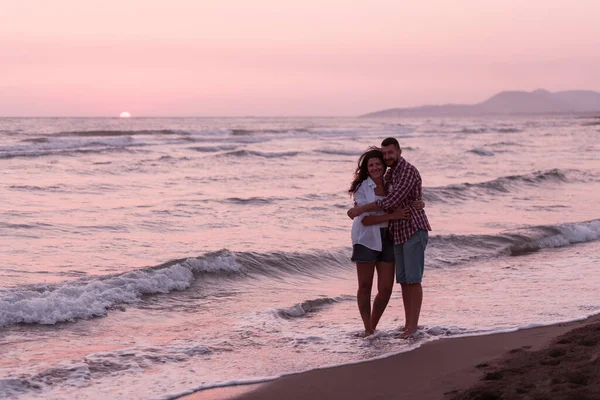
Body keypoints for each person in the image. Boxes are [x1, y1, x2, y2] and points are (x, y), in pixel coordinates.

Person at [348, 138, 431, 338]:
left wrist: (419, 202)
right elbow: (365, 221)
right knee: (370, 286)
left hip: (395, 234)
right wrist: (394, 214)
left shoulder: (396, 177)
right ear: (366, 168)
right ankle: (369, 328)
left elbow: (397, 199)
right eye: (372, 165)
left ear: (397, 152)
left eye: (380, 162)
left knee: (389, 287)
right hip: (368, 238)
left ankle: (392, 326)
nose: (377, 166)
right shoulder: (365, 186)